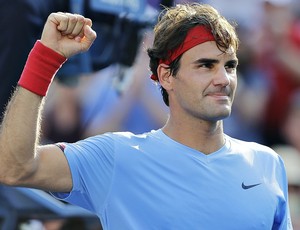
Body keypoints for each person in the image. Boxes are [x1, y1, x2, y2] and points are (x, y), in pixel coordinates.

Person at [0, 3, 293, 230]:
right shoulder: (115, 156)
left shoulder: (268, 163)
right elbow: (15, 167)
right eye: (206, 65)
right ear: (166, 76)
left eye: (230, 66)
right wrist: (46, 57)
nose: (223, 79)